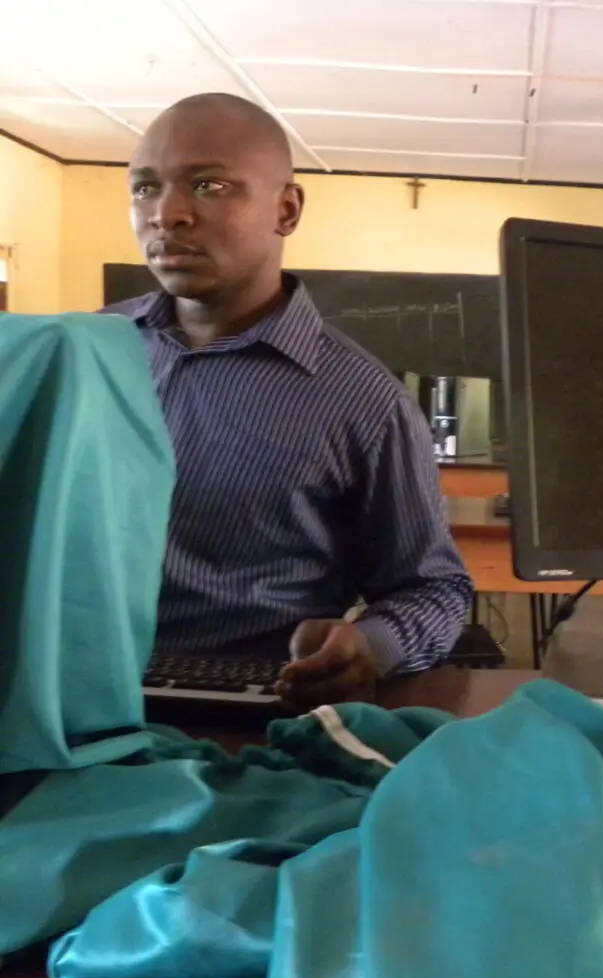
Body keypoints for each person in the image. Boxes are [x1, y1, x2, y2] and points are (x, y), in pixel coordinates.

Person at [105, 92, 473, 709]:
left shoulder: (362, 401)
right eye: (144, 188)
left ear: (286, 209)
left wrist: (371, 646)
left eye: (210, 185)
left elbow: (434, 589)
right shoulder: (88, 349)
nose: (167, 214)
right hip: (59, 697)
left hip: (241, 713)